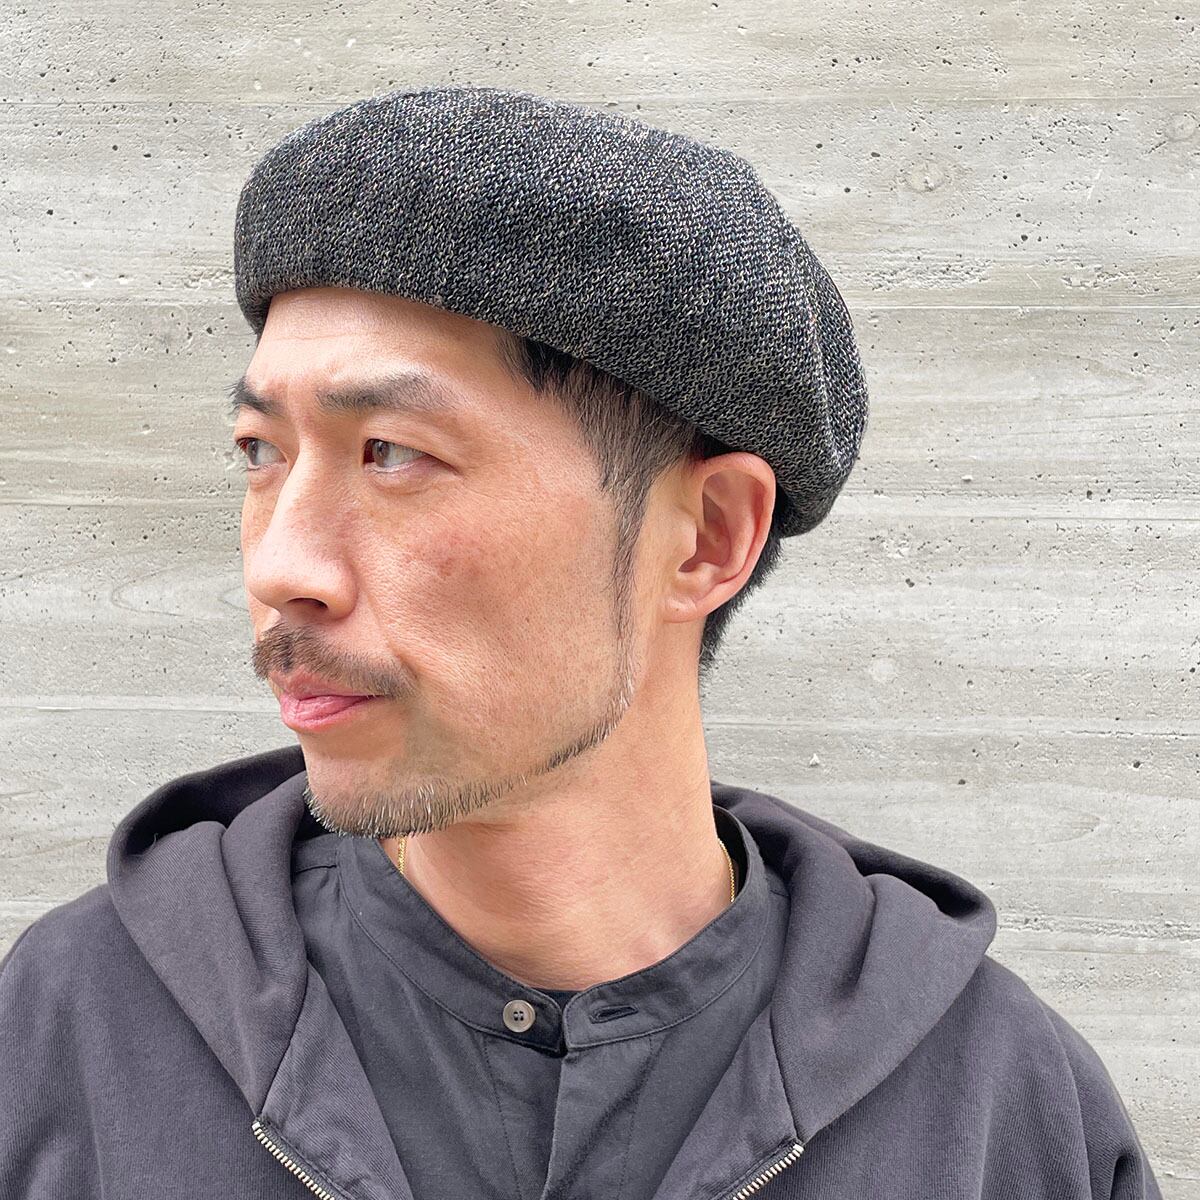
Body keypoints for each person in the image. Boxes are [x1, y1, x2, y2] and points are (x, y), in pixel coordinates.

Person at [0, 85, 1162, 1200]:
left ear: (706, 537)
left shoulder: (1001, 1114)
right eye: (263, 452)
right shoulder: (69, 1038)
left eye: (392, 453)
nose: (280, 567)